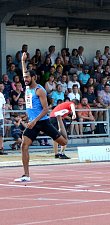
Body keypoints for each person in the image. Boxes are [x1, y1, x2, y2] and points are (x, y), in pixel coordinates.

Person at [14, 52, 68, 182]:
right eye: (24, 77)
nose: (25, 79)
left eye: (27, 78)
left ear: (34, 78)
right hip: (33, 123)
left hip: (43, 121)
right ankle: (26, 175)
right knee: (24, 146)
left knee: (64, 142)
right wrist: (23, 61)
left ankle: (60, 120)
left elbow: (46, 109)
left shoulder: (40, 90)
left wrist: (34, 121)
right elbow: (24, 71)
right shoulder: (27, 88)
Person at [0, 88, 7, 155]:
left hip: (0, 117)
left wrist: (4, 108)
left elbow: (4, 105)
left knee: (1, 134)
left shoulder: (1, 95)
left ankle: (1, 148)